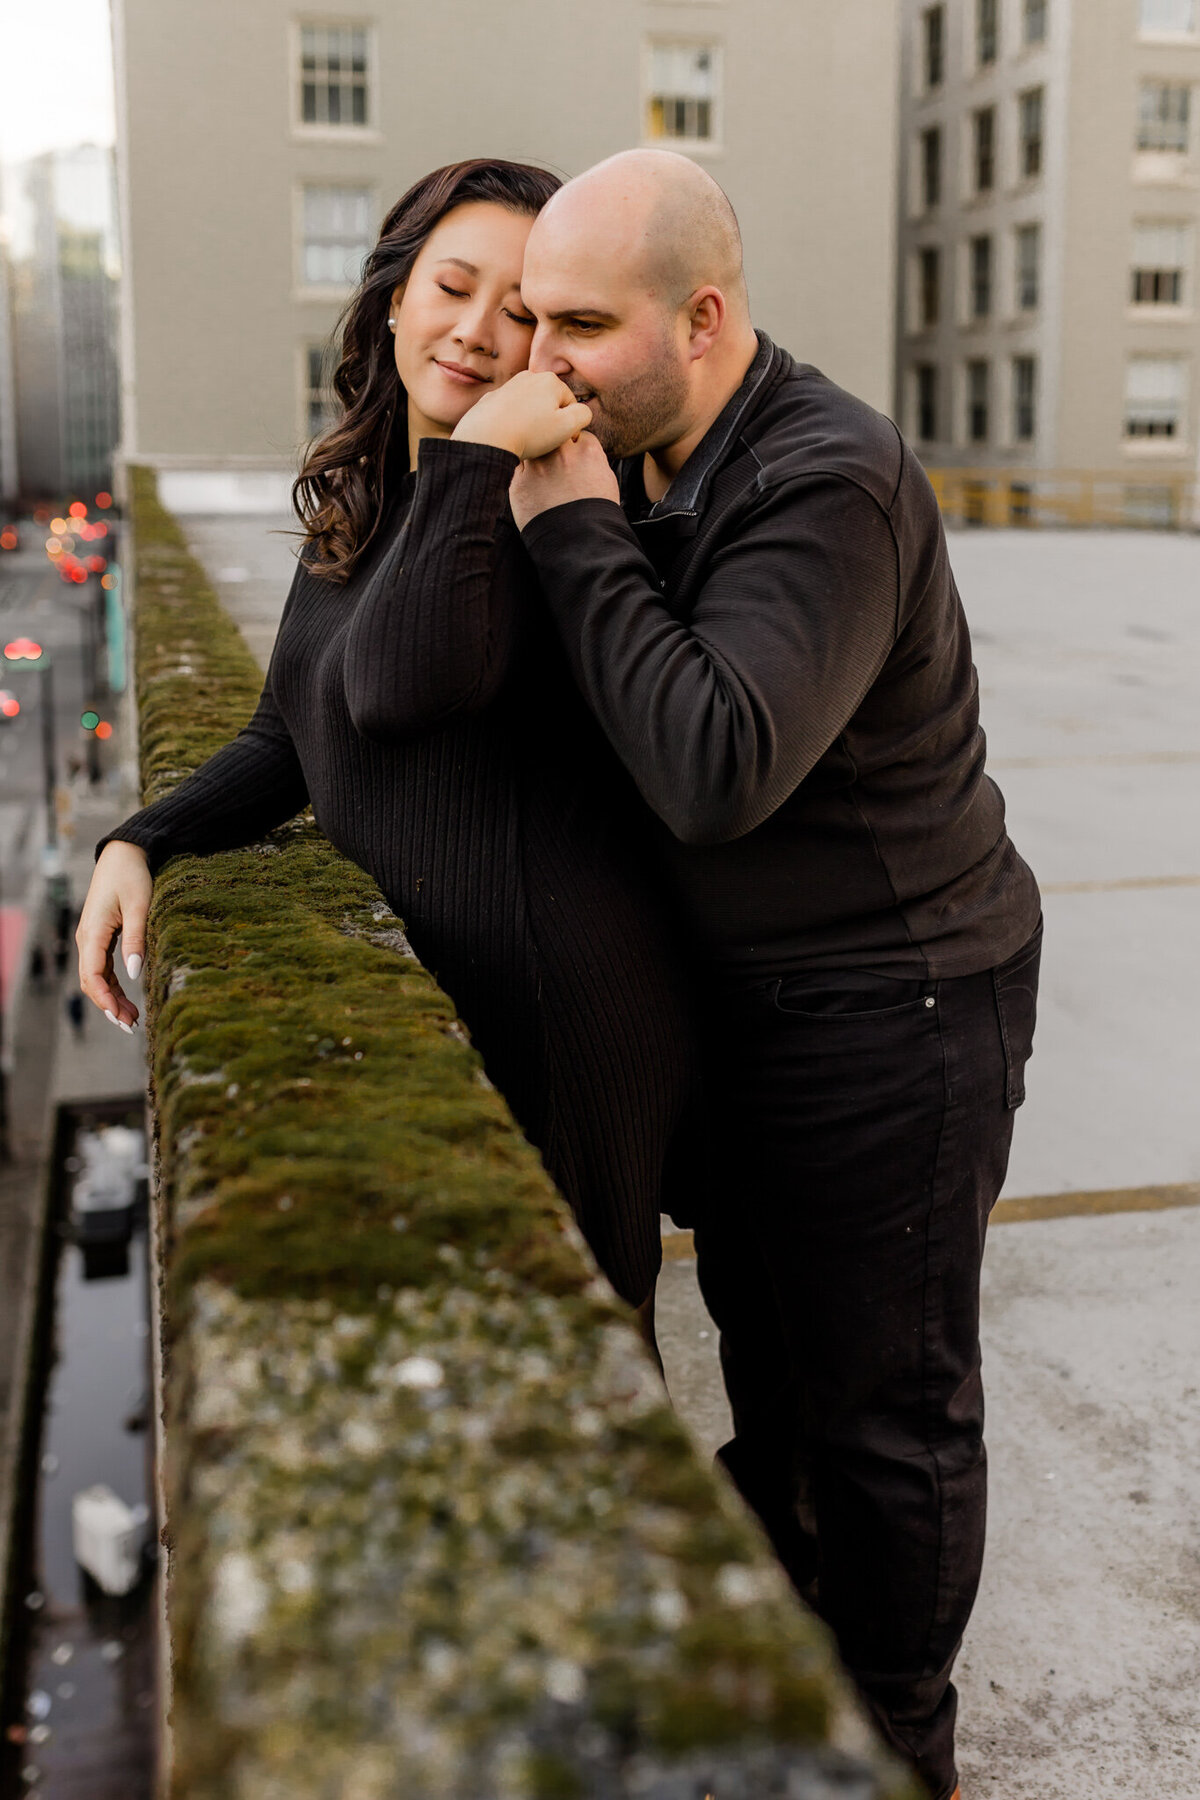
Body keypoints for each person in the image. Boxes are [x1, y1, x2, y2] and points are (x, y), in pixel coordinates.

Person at [504, 148, 1043, 1800]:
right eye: (533, 318)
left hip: (903, 1001)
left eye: (580, 323)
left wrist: (566, 525)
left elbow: (715, 761)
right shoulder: (649, 443)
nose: (544, 363)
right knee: (769, 1351)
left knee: (888, 1402)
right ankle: (786, 1630)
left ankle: (900, 1741)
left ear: (707, 315)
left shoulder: (828, 477)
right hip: (755, 1008)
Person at [74, 158, 704, 1327]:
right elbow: (291, 725)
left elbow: (401, 687)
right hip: (446, 988)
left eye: (521, 312)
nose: (475, 332)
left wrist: (477, 461)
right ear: (395, 297)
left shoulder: (553, 498)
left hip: (560, 1006)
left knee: (569, 1360)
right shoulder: (380, 489)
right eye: (451, 287)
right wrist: (141, 837)